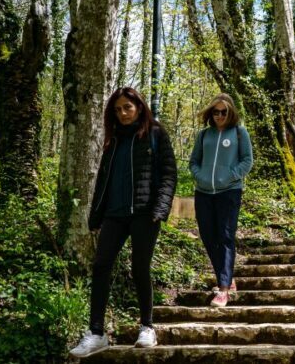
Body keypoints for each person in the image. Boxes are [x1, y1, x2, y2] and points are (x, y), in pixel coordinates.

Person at [70, 87, 178, 358]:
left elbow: (168, 174)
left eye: (127, 108)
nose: (123, 113)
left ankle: (147, 327)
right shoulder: (113, 140)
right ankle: (96, 333)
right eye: (118, 109)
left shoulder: (155, 134)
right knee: (101, 265)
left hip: (145, 212)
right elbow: (103, 181)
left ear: (139, 107)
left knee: (140, 268)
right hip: (114, 214)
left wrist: (160, 209)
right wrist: (96, 215)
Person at [189, 94, 253, 308]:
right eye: (215, 112)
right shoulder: (204, 135)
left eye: (223, 112)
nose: (219, 116)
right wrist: (201, 177)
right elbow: (194, 162)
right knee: (208, 236)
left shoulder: (239, 133)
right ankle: (227, 277)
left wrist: (229, 176)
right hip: (204, 192)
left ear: (231, 112)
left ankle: (223, 290)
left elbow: (247, 161)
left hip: (229, 191)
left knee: (225, 236)